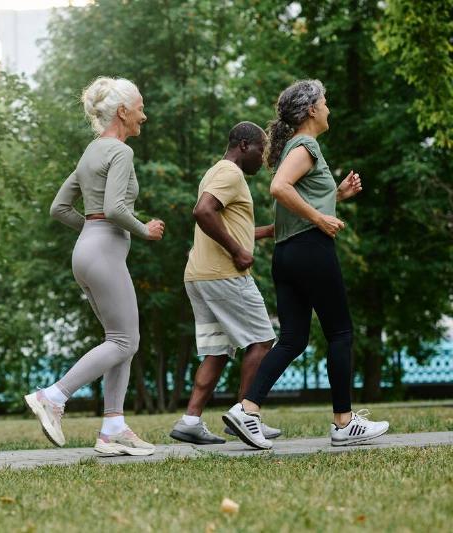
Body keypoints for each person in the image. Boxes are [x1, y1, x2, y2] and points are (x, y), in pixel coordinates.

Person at [222, 80, 389, 449]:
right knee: (341, 333)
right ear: (311, 109)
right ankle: (343, 422)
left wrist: (335, 196)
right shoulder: (306, 144)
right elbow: (280, 187)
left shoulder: (296, 149)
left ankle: (247, 410)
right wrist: (320, 219)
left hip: (288, 254)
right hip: (311, 249)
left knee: (293, 338)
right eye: (325, 101)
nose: (328, 107)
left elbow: (295, 199)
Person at [24, 77, 165, 456]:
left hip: (87, 250)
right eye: (139, 108)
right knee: (124, 341)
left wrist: (91, 228)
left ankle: (113, 428)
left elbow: (59, 208)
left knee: (120, 342)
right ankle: (53, 396)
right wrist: (145, 229)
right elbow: (118, 209)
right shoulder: (120, 153)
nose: (143, 115)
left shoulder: (91, 152)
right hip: (103, 250)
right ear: (122, 112)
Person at [170, 121, 281, 445]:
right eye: (262, 150)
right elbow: (203, 212)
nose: (264, 158)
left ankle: (190, 420)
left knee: (217, 351)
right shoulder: (230, 173)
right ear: (244, 146)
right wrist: (237, 252)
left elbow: (227, 224)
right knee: (262, 341)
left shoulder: (216, 172)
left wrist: (266, 232)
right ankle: (246, 416)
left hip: (200, 275)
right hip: (224, 274)